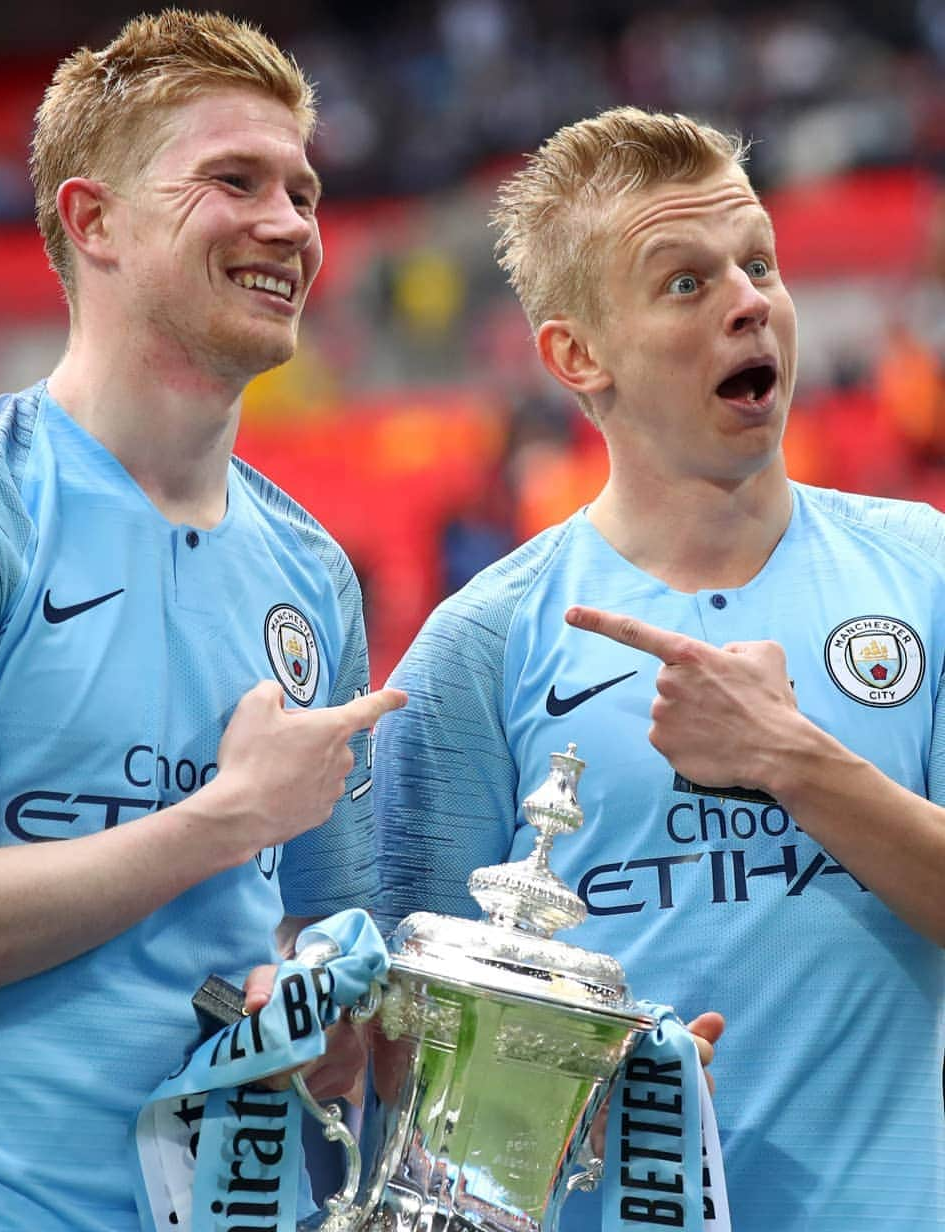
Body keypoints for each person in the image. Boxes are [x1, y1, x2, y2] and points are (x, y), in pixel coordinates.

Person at [0, 11, 405, 1231]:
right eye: (236, 180)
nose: (292, 225)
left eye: (306, 192)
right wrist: (223, 819)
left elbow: (331, 957)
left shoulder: (315, 570)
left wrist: (330, 1018)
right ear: (93, 219)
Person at [374, 106, 944, 1230]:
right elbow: (402, 1056)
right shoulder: (478, 643)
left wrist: (792, 759)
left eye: (759, 263)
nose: (751, 300)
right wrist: (569, 1101)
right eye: (685, 283)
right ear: (577, 354)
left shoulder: (924, 573)